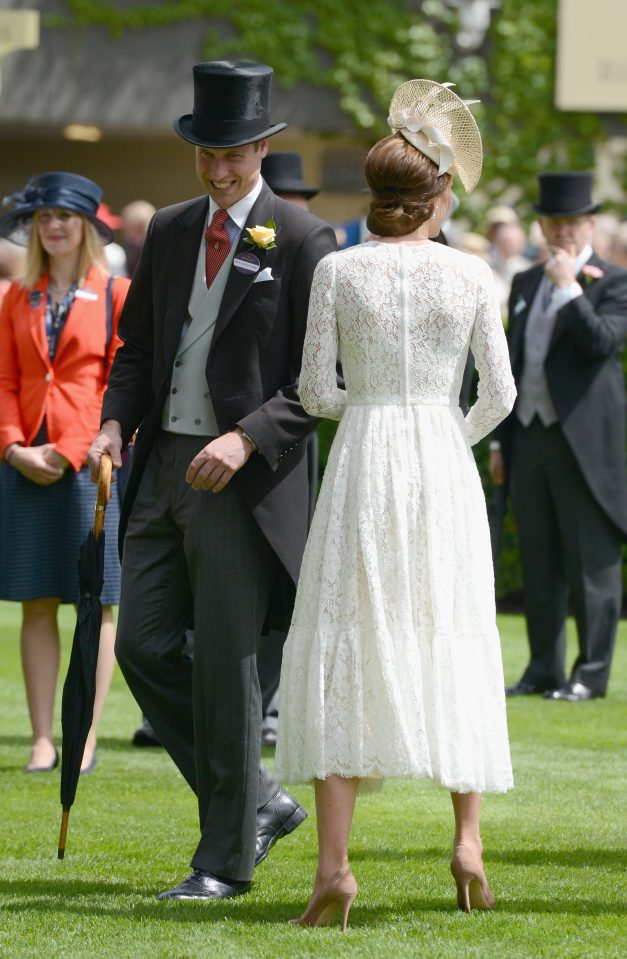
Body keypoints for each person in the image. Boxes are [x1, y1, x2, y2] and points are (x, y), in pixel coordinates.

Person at [87, 60, 337, 901]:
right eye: (207, 154)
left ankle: (224, 860)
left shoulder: (303, 240)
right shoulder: (167, 230)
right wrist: (116, 422)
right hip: (158, 468)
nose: (219, 169)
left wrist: (245, 438)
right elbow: (140, 351)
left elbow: (319, 379)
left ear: (263, 146)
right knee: (141, 645)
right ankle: (257, 800)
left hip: (242, 484)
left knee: (228, 671)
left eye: (234, 154)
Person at [275, 79, 516, 929]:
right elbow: (501, 392)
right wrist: (444, 427)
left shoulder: (338, 270)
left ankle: (334, 867)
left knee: (345, 633)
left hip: (368, 458)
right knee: (450, 628)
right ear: (438, 194)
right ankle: (467, 845)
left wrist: (377, 405)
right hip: (441, 460)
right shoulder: (472, 271)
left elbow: (311, 390)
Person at [0, 172, 129, 773]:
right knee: (35, 600)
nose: (53, 226)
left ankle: (87, 733)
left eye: (65, 216)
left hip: (90, 464)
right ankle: (44, 738)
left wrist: (75, 447)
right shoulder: (13, 297)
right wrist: (12, 446)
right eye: (44, 216)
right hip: (26, 463)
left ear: (86, 226)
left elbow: (120, 384)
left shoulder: (115, 294)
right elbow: (4, 382)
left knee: (96, 601)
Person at [491, 172, 627, 702]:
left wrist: (571, 287)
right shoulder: (525, 282)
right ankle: (542, 669)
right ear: (542, 225)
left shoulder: (613, 281)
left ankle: (589, 674)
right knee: (541, 558)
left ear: (590, 223)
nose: (562, 231)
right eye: (553, 221)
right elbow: (509, 364)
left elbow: (601, 343)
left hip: (585, 444)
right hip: (529, 435)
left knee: (591, 560)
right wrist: (501, 442)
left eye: (572, 222)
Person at [256, 151, 322, 747]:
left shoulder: (320, 254)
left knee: (288, 573)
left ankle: (272, 704)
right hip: (229, 431)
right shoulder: (235, 252)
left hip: (294, 437)